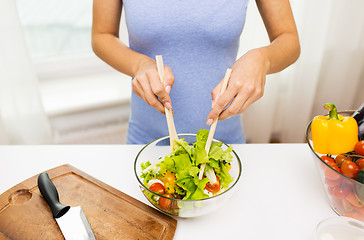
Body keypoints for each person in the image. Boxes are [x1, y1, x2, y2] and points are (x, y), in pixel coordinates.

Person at [91, 0, 300, 144]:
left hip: (222, 142)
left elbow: (289, 39)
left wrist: (262, 59)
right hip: (147, 143)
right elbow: (102, 35)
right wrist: (139, 65)